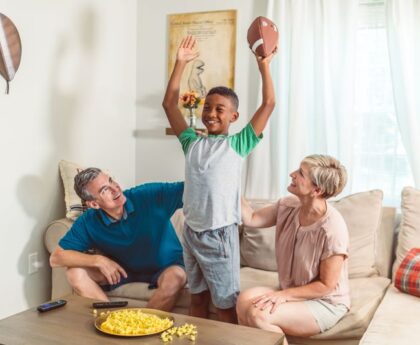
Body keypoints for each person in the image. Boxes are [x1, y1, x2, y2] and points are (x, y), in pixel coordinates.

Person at [162, 35, 276, 323]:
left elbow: (269, 104)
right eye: (207, 107)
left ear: (234, 116)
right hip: (191, 232)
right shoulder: (191, 142)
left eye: (219, 109)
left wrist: (264, 65)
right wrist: (180, 63)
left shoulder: (238, 145)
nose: (211, 113)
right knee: (197, 299)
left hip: (219, 235)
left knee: (225, 305)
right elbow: (168, 105)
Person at [237, 155, 350, 344]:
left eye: (300, 174)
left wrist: (283, 295)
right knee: (243, 301)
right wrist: (228, 179)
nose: (292, 174)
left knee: (259, 315)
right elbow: (251, 218)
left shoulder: (332, 229)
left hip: (325, 301)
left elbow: (326, 285)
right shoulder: (288, 206)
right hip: (293, 290)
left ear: (317, 189)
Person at [49, 168, 187, 312]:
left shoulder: (147, 195)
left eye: (111, 180)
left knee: (175, 278)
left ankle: (141, 328)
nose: (115, 188)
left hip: (167, 266)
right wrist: (98, 260)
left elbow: (192, 189)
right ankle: (113, 320)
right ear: (94, 204)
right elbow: (56, 258)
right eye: (104, 190)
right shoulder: (88, 221)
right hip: (122, 271)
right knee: (74, 273)